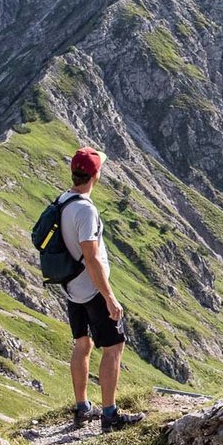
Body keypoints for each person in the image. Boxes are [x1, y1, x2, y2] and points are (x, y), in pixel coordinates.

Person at [56, 146, 143, 430]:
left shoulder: (63, 200)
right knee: (114, 347)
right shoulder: (85, 210)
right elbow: (92, 258)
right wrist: (110, 297)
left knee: (83, 343)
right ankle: (109, 414)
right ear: (95, 175)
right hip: (91, 289)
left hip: (71, 288)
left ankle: (82, 408)